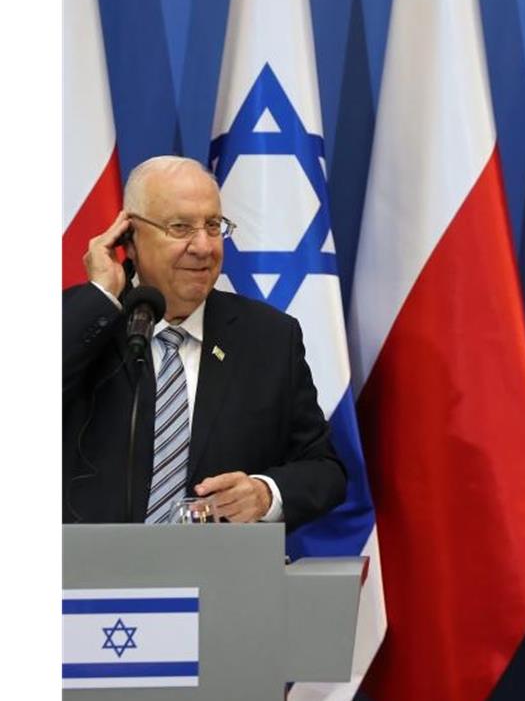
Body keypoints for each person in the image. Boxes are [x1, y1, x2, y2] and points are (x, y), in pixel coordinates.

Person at [63, 155, 346, 529]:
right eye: (180, 227)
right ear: (128, 238)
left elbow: (324, 469)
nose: (204, 246)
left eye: (213, 226)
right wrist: (101, 296)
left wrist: (265, 493)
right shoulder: (81, 319)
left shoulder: (270, 338)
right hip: (81, 578)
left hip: (219, 580)